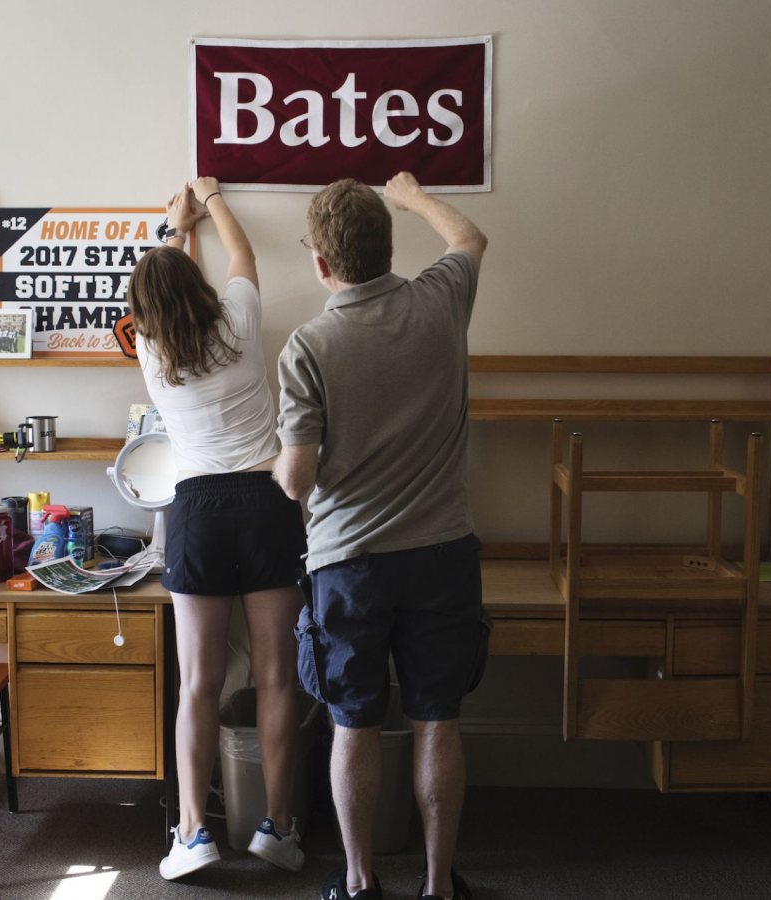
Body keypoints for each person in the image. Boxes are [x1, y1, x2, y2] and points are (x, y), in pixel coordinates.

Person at [275, 172, 489, 900]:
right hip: (443, 555)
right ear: (389, 247)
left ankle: (361, 883)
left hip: (351, 567)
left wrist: (281, 462)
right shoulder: (440, 300)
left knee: (353, 726)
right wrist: (414, 195)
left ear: (321, 264)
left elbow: (297, 481)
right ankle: (438, 887)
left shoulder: (308, 346)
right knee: (438, 721)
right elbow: (469, 238)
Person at [127, 176, 309, 881]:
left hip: (197, 510)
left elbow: (165, 294)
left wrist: (173, 230)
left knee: (198, 683)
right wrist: (208, 202)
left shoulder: (152, 356)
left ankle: (195, 833)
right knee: (275, 679)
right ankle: (280, 828)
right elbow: (242, 255)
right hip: (267, 502)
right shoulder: (239, 317)